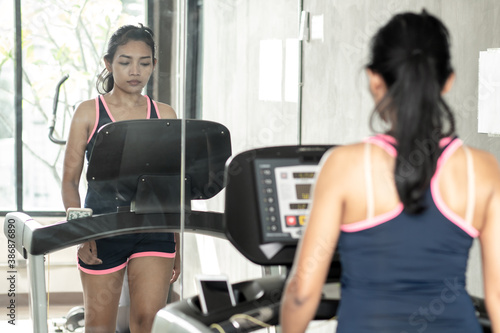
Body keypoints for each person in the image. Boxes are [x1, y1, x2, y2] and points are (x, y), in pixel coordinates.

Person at [280, 10, 500, 333]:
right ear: (448, 81)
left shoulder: (342, 167)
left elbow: (302, 293)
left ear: (374, 79)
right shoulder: (483, 171)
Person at [61, 24, 180, 333]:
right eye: (125, 62)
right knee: (99, 327)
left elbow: (172, 185)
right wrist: (80, 233)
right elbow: (70, 181)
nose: (135, 71)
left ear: (154, 65)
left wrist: (177, 241)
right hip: (102, 231)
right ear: (108, 63)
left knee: (147, 323)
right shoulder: (88, 113)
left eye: (144, 62)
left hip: (154, 230)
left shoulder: (165, 114)